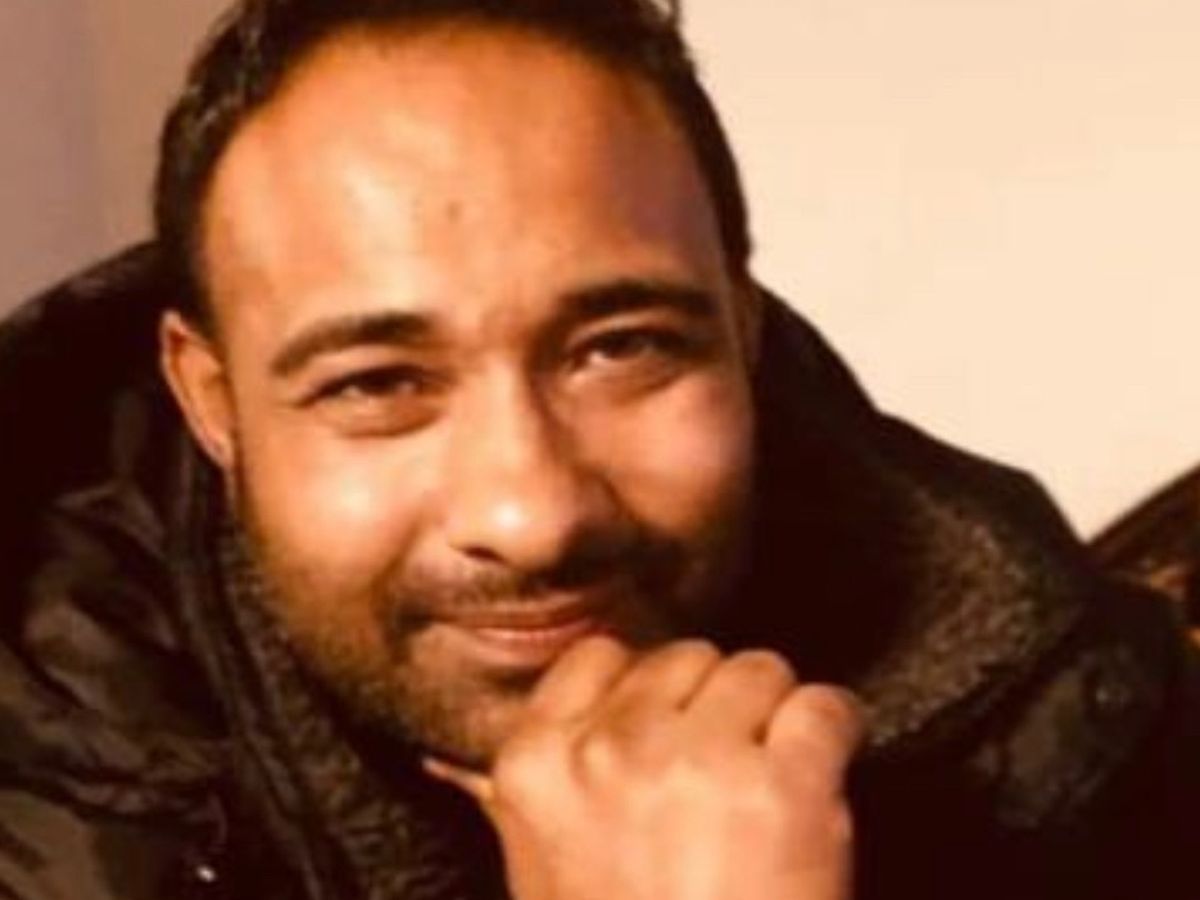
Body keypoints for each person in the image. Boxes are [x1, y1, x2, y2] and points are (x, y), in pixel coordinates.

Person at [0, 0, 1196, 897]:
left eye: (622, 350)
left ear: (742, 332)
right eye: (377, 383)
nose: (532, 515)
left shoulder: (1078, 735)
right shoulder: (46, 801)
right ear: (211, 403)